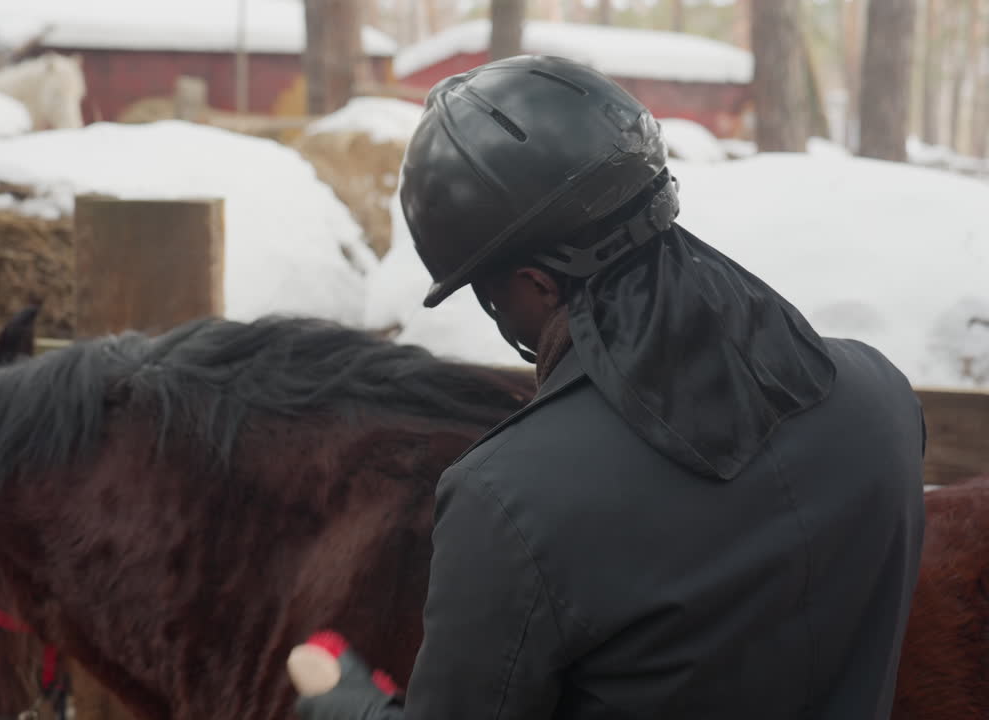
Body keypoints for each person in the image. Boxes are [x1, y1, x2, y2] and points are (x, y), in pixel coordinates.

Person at [291, 55, 928, 720]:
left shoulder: (508, 499)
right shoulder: (880, 399)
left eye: (487, 294)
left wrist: (347, 704)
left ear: (534, 284)